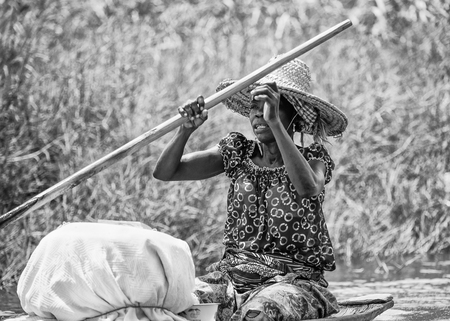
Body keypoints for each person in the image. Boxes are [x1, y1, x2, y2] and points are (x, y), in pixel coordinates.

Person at [153, 57, 348, 321]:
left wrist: (275, 124)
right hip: (232, 278)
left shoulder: (314, 158)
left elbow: (308, 188)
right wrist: (185, 131)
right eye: (255, 108)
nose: (259, 114)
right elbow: (165, 172)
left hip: (293, 282)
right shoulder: (238, 151)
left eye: (270, 107)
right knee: (178, 305)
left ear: (293, 116)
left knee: (258, 313)